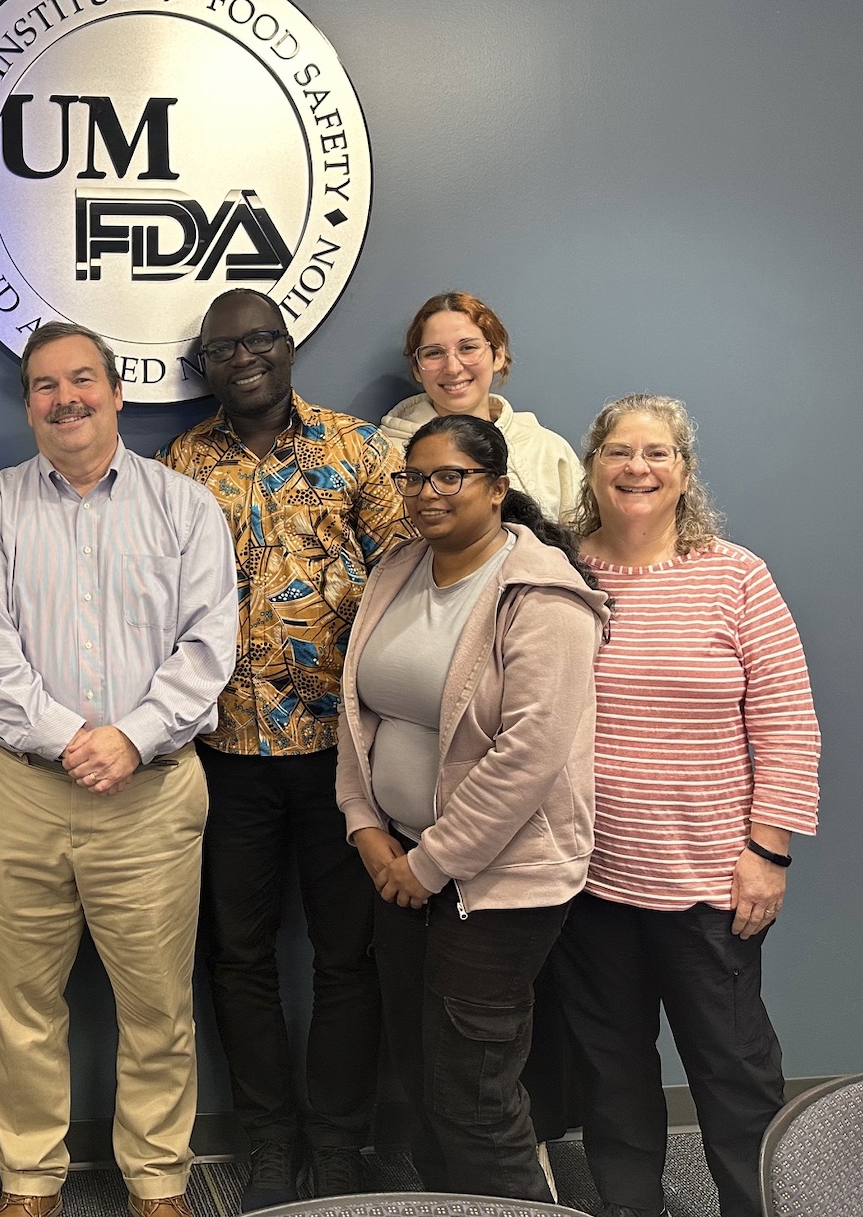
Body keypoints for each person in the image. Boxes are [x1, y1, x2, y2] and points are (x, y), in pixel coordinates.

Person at [0, 322, 236, 1217]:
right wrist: (78, 736)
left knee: (157, 1010)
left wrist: (132, 736)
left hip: (150, 796)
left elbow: (208, 645)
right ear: (28, 402)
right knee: (22, 1007)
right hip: (21, 793)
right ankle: (30, 1181)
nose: (65, 398)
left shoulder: (184, 507)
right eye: (44, 385)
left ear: (116, 392)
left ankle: (158, 1182)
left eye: (81, 380)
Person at [157, 289, 412, 1207]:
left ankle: (340, 1144)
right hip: (223, 754)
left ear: (289, 345)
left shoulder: (356, 450)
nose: (246, 357)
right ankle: (269, 1139)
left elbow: (417, 576)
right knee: (238, 954)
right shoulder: (180, 464)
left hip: (345, 756)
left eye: (261, 338)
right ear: (207, 366)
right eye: (225, 348)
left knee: (349, 956)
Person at [551, 394, 820, 1217]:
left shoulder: (735, 574)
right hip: (588, 880)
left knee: (733, 1075)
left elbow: (788, 721)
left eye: (658, 452)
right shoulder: (559, 572)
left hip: (710, 883)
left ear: (684, 471)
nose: (638, 467)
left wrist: (767, 852)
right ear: (591, 465)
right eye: (620, 452)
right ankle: (632, 1206)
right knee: (611, 1073)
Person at [335, 414, 608, 1202]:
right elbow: (360, 712)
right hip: (397, 865)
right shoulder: (397, 569)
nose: (426, 493)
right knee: (419, 1082)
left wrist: (429, 864)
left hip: (496, 884)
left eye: (448, 476)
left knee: (475, 1096)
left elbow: (528, 757)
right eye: (413, 477)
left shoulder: (544, 595)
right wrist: (364, 826)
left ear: (496, 488)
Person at [380, 292, 581, 522]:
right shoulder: (385, 455)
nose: (453, 368)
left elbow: (581, 543)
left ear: (498, 355)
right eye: (434, 353)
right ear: (417, 368)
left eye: (468, 348)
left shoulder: (547, 449)